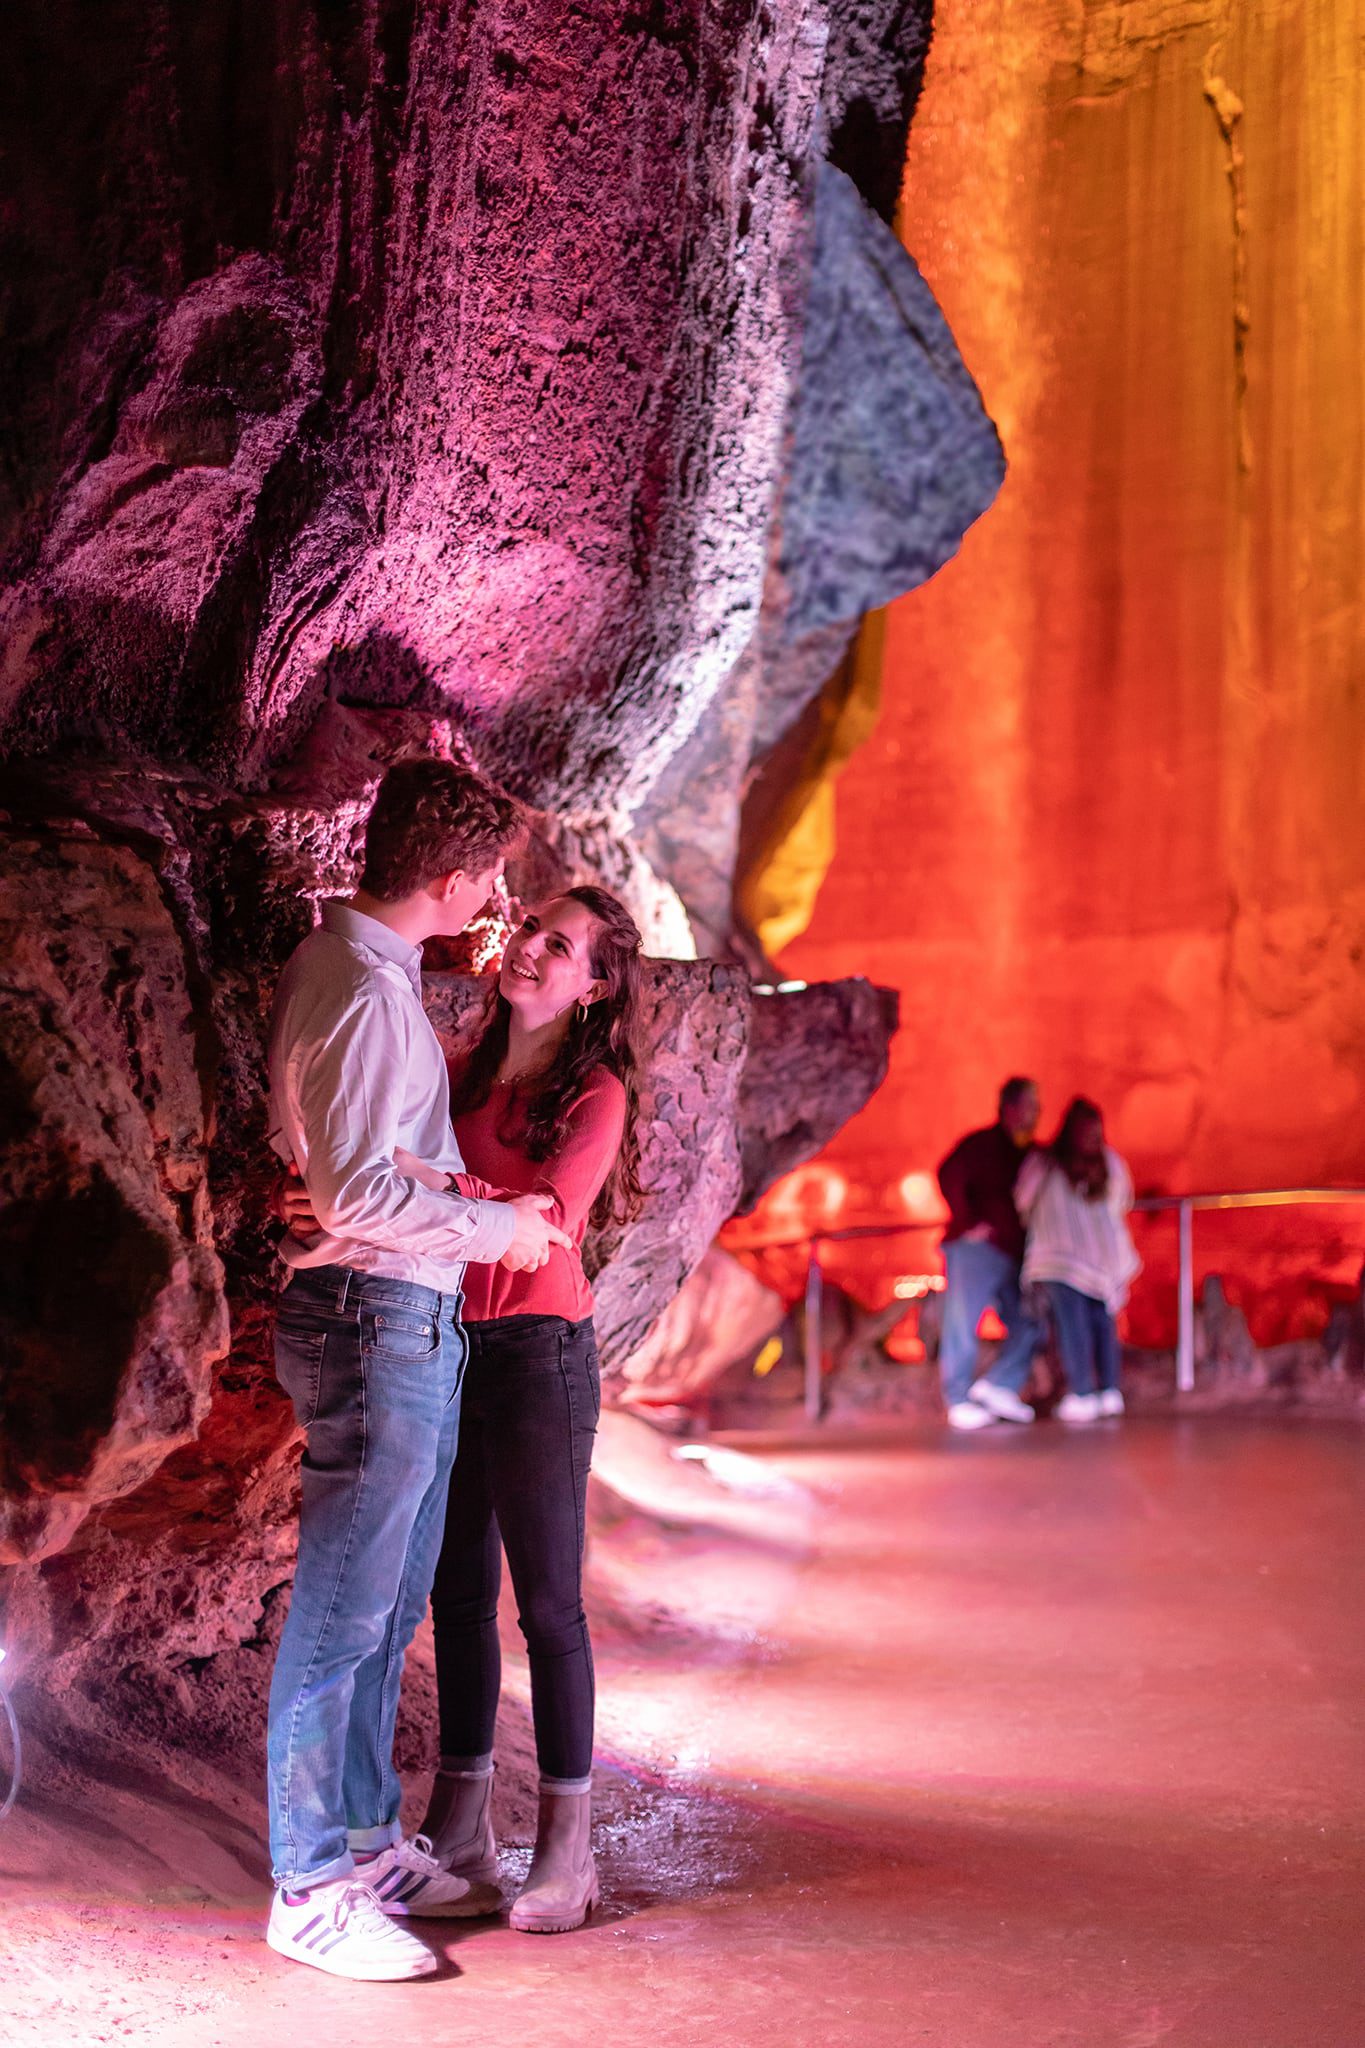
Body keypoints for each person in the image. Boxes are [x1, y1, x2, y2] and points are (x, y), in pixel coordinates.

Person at [280, 885, 644, 1937]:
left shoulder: (598, 1090)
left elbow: (555, 1221)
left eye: (561, 944)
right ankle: (464, 1821)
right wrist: (401, 1189)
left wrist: (426, 1184)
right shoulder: (465, 1066)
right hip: (445, 1339)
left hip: (537, 1354)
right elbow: (405, 1182)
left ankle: (568, 1850)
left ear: (596, 982)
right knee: (456, 1597)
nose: (531, 946)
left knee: (549, 1605)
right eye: (531, 927)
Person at [263, 758, 572, 1984]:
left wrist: (453, 1195)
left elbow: (372, 1165)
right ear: (452, 879)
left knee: (386, 1605)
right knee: (344, 1606)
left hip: (402, 1309)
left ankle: (360, 1839)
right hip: (369, 1312)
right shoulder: (355, 986)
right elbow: (352, 1191)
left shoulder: (375, 977)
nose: (496, 895)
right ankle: (307, 1883)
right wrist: (498, 1227)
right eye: (491, 875)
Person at [1015, 1096, 1140, 1423]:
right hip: (1102, 1260)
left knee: (1073, 1327)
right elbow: (1123, 1200)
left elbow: (1023, 1200)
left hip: (1059, 1259)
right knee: (1103, 1323)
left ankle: (1083, 1392)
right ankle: (1109, 1391)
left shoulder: (1044, 1163)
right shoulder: (1111, 1162)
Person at [936, 1077, 1043, 1430]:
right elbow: (948, 1173)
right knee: (963, 1323)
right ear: (1010, 1108)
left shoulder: (1028, 1153)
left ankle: (1000, 1386)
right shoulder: (981, 1145)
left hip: (1013, 1252)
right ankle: (958, 1399)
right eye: (1030, 1104)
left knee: (1028, 1322)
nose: (1036, 1113)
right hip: (977, 1250)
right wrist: (968, 1222)